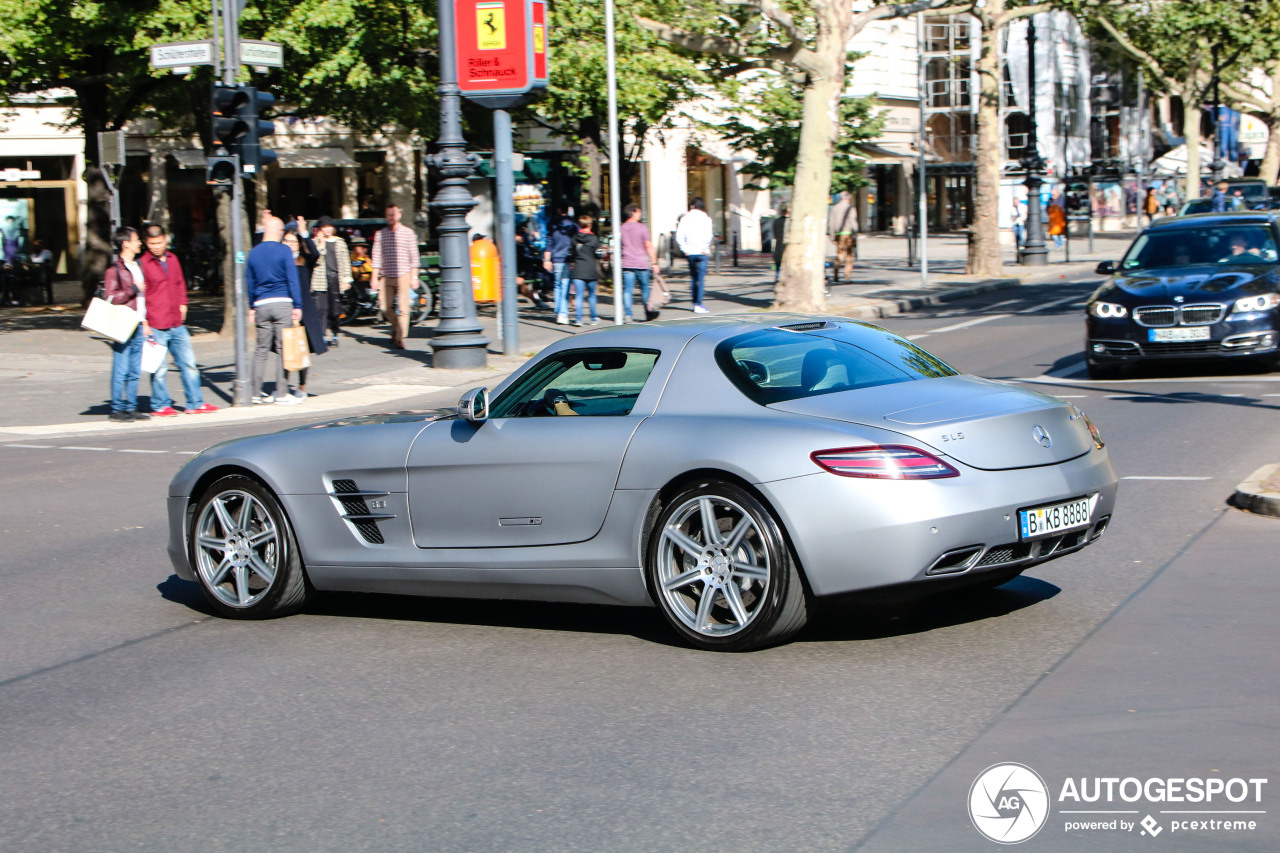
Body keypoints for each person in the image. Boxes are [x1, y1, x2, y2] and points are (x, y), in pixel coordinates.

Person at [139, 224, 217, 415]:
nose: (156, 246)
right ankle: (160, 404)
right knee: (159, 369)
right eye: (152, 243)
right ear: (146, 243)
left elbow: (180, 283)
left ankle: (195, 402)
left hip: (176, 322)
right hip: (156, 322)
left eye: (159, 242)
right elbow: (141, 297)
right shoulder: (143, 264)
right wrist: (145, 323)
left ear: (166, 239)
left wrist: (183, 304)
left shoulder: (173, 259)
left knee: (189, 364)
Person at [246, 216, 304, 404]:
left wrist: (251, 306)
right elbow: (292, 278)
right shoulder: (284, 251)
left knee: (261, 350)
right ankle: (281, 393)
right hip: (282, 302)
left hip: (261, 304)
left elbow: (250, 282)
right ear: (279, 232)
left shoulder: (253, 253)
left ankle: (255, 392)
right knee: (282, 349)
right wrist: (298, 305)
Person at [102, 226, 150, 423]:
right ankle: (117, 408)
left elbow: (143, 299)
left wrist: (145, 321)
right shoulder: (114, 270)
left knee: (134, 368)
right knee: (121, 367)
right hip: (123, 323)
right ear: (125, 243)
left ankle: (131, 407)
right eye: (136, 239)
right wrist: (132, 288)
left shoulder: (138, 265)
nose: (140, 242)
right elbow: (111, 298)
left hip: (138, 322)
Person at [282, 229, 328, 399]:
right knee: (285, 348)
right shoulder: (280, 261)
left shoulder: (304, 262)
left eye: (293, 241)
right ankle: (283, 385)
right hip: (285, 308)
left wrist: (304, 234)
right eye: (287, 241)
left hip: (305, 310)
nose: (290, 244)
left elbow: (315, 253)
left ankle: (302, 386)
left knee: (302, 348)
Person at [370, 204, 420, 349]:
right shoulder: (381, 234)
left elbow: (414, 257)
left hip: (404, 274)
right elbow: (377, 256)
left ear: (399, 215)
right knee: (385, 307)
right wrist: (374, 278)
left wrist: (414, 276)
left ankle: (400, 338)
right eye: (388, 215)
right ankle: (397, 328)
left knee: (404, 308)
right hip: (386, 275)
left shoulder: (408, 233)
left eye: (393, 214)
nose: (391, 217)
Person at [309, 215, 352, 346]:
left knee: (335, 309)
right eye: (324, 227)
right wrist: (321, 243)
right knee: (321, 309)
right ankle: (322, 335)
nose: (327, 230)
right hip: (320, 278)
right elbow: (315, 259)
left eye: (329, 227)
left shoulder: (340, 242)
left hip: (335, 277)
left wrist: (346, 279)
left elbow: (345, 261)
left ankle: (335, 333)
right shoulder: (315, 242)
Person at [619, 203, 657, 322]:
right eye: (639, 212)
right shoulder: (642, 228)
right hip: (641, 262)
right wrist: (654, 262)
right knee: (645, 289)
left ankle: (628, 314)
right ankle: (648, 312)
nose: (640, 214)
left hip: (627, 262)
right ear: (633, 213)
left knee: (628, 290)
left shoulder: (622, 228)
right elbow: (649, 246)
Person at [675, 197, 713, 313]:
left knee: (693, 277)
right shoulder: (706, 218)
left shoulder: (685, 218)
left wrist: (684, 248)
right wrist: (704, 248)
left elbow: (679, 235)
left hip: (690, 252)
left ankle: (694, 303)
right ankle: (699, 303)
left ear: (692, 206)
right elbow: (709, 235)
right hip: (702, 252)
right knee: (700, 279)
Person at [542, 202, 576, 324]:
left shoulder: (552, 223)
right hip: (567, 257)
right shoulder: (573, 223)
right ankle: (562, 313)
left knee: (557, 285)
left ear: (558, 209)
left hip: (555, 258)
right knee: (565, 285)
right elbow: (575, 241)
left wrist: (546, 259)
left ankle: (558, 310)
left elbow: (549, 242)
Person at [570, 214, 601, 327]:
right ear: (589, 225)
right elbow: (599, 254)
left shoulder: (574, 238)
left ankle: (579, 319)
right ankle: (593, 318)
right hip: (591, 269)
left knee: (579, 295)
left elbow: (571, 253)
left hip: (578, 270)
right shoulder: (594, 238)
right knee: (592, 295)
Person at [827, 190, 858, 281]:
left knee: (840, 254)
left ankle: (836, 272)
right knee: (849, 255)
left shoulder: (834, 208)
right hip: (848, 233)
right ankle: (847, 276)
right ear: (848, 199)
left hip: (838, 234)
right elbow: (853, 222)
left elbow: (831, 223)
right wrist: (855, 235)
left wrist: (832, 236)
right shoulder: (851, 208)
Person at [771, 204, 788, 281]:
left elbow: (775, 235)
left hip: (778, 248)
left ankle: (778, 279)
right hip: (787, 249)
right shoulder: (790, 222)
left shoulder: (776, 222)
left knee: (778, 268)